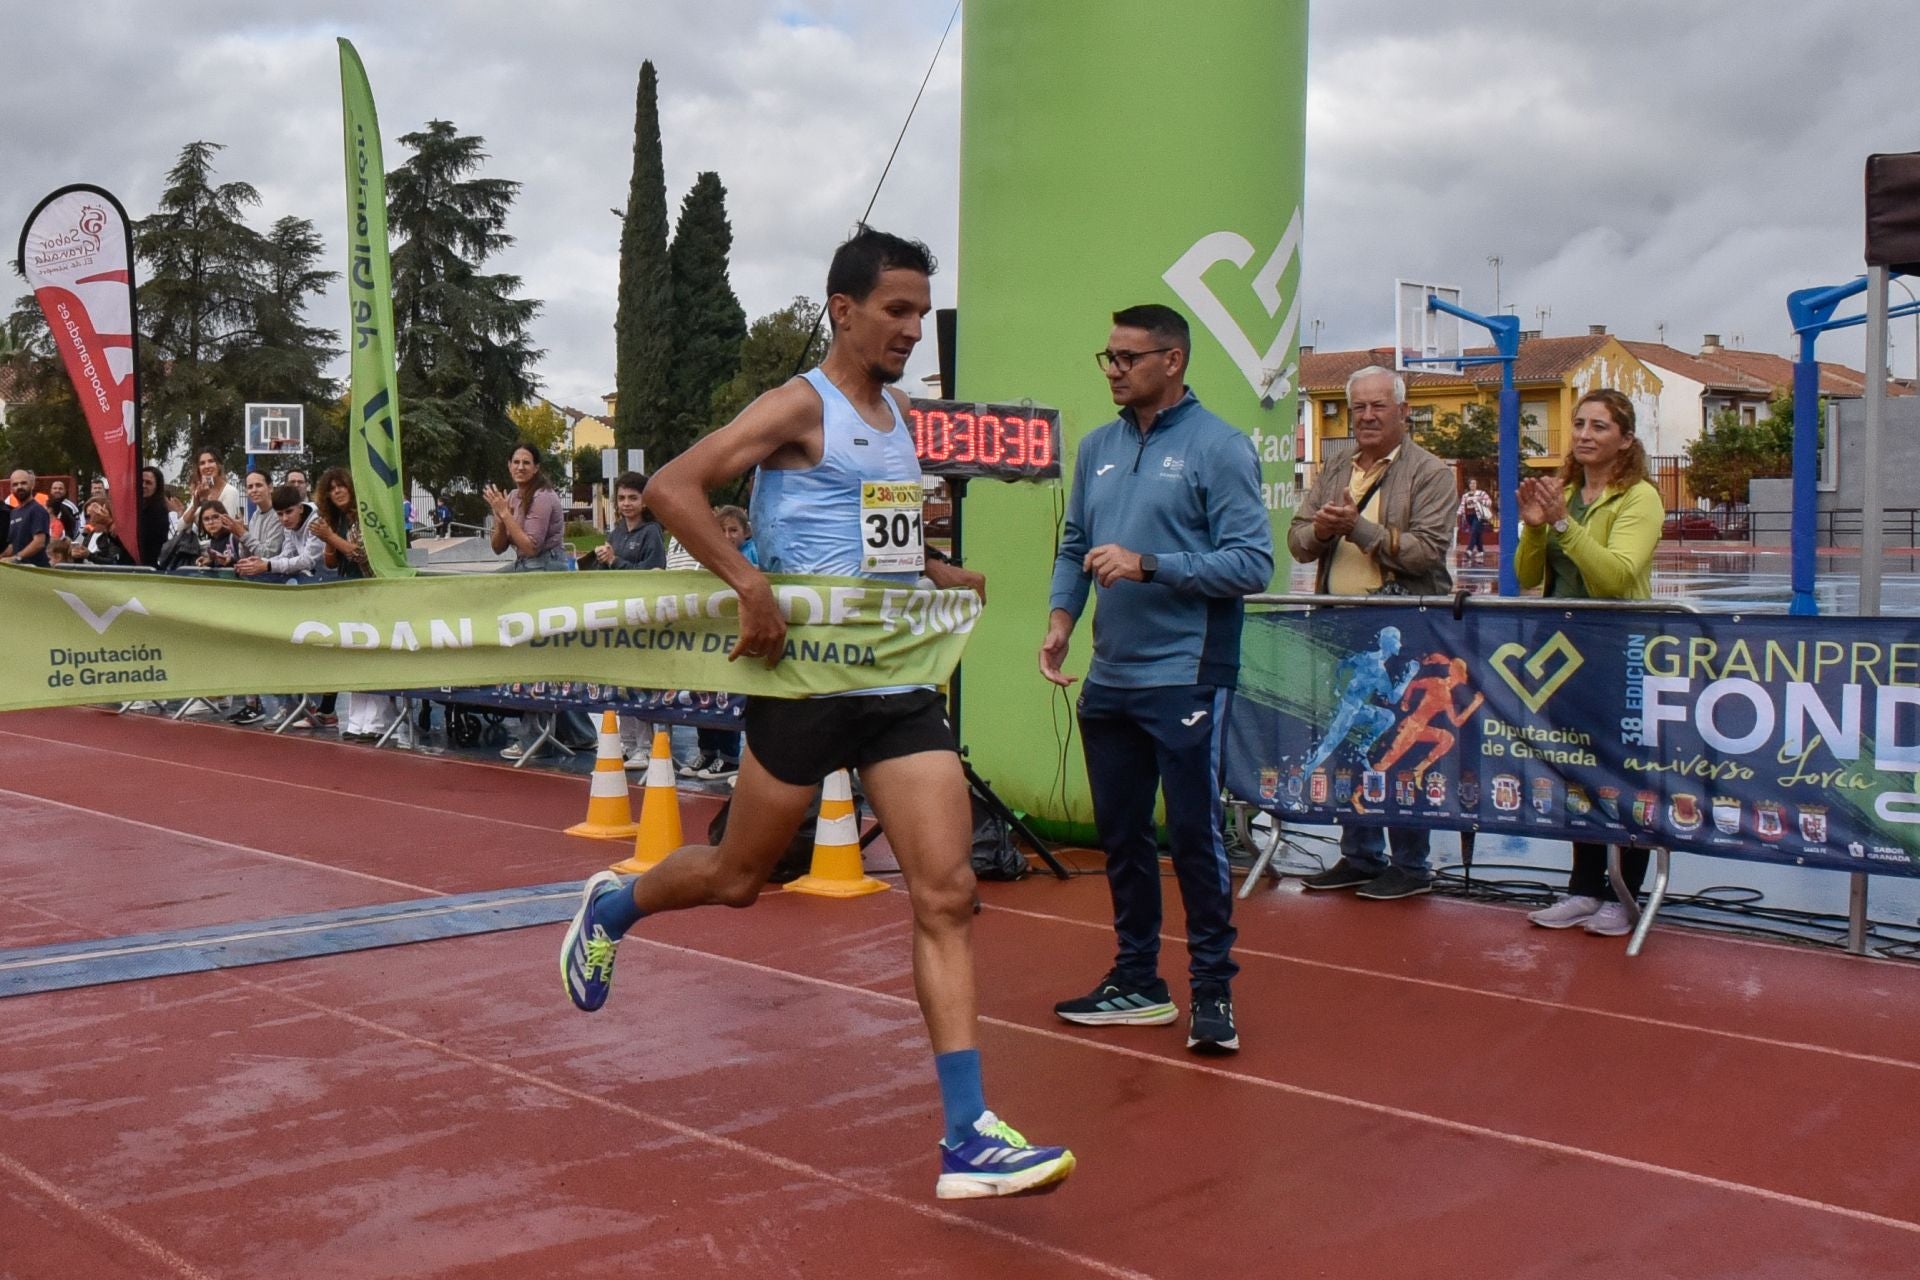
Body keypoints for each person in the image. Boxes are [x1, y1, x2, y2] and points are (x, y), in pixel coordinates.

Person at [561, 224, 1071, 1201]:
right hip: (804, 682)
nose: (914, 328)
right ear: (844, 310)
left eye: (922, 311)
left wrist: (933, 567)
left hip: (893, 686)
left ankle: (967, 1133)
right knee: (741, 873)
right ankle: (614, 904)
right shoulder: (800, 404)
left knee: (949, 889)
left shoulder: (900, 421)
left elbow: (876, 538)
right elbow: (673, 487)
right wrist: (749, 581)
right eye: (898, 310)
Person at [1039, 304, 1273, 1055]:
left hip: (1188, 675)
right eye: (1106, 357)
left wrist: (1151, 565)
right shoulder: (1098, 447)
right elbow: (1074, 543)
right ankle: (1138, 980)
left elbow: (1253, 564)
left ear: (1171, 362)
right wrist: (1061, 618)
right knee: (1121, 834)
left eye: (1126, 358)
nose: (1112, 370)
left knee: (1195, 836)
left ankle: (1213, 992)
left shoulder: (1220, 447)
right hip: (1112, 675)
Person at [1287, 365, 1457, 901]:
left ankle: (1411, 862)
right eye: (1357, 406)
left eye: (1377, 406)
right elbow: (1296, 540)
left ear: (1403, 412)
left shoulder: (1430, 472)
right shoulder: (1335, 467)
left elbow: (1428, 551)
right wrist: (1321, 529)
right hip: (1340, 627)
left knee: (1397, 746)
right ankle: (1359, 853)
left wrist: (1358, 529)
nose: (1365, 416)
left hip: (1402, 632)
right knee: (1349, 746)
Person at [1518, 388, 1665, 938]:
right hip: (1562, 651)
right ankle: (1584, 887)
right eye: (1579, 423)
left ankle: (1624, 893)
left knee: (1624, 772)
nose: (1583, 434)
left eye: (1599, 426)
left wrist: (1562, 525)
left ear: (1625, 439)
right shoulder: (1565, 493)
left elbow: (1616, 577)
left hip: (1620, 650)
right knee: (1576, 771)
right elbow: (1528, 575)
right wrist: (1536, 525)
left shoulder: (1641, 497)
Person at [486, 443, 589, 757]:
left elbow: (530, 546)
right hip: (524, 569)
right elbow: (498, 547)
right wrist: (500, 517)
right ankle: (578, 733)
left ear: (537, 467)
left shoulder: (544, 498)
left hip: (544, 571)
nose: (520, 467)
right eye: (515, 462)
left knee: (539, 653)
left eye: (526, 462)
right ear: (508, 466)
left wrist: (506, 513)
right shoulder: (514, 497)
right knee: (541, 655)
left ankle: (537, 738)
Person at [589, 471, 668, 766]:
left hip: (642, 617)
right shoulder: (616, 533)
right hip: (619, 616)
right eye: (621, 498)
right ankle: (627, 741)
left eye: (633, 497)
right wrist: (601, 561)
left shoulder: (652, 533)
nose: (626, 503)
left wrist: (615, 561)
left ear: (645, 500)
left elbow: (653, 573)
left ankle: (646, 746)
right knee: (622, 680)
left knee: (641, 679)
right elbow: (605, 573)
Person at [681, 505, 757, 780]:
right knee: (704, 694)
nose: (727, 536)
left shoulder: (751, 556)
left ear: (745, 532)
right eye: (721, 530)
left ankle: (729, 756)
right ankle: (707, 750)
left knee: (728, 696)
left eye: (733, 530)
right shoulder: (708, 557)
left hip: (734, 636)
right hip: (709, 637)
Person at [4, 470, 52, 567]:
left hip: (36, 571)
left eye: (23, 483)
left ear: (32, 485)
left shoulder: (37, 510)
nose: (19, 487)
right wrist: (2, 556)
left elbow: (39, 542)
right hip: (20, 571)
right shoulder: (14, 513)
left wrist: (16, 558)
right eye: (15, 484)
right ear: (11, 489)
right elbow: (13, 546)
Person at [77, 498, 135, 566]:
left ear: (104, 511)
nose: (89, 519)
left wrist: (89, 556)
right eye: (87, 516)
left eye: (91, 515)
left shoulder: (113, 537)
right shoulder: (89, 535)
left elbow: (113, 562)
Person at [1458, 478, 1493, 564]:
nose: (1473, 485)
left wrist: (1480, 500)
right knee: (1477, 534)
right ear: (1469, 485)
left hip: (1479, 516)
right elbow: (1462, 506)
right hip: (1469, 517)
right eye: (1471, 483)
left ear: (1476, 485)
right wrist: (1459, 513)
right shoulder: (1465, 496)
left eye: (1474, 483)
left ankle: (1469, 550)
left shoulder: (1481, 493)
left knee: (1474, 532)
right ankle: (1480, 551)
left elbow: (1489, 502)